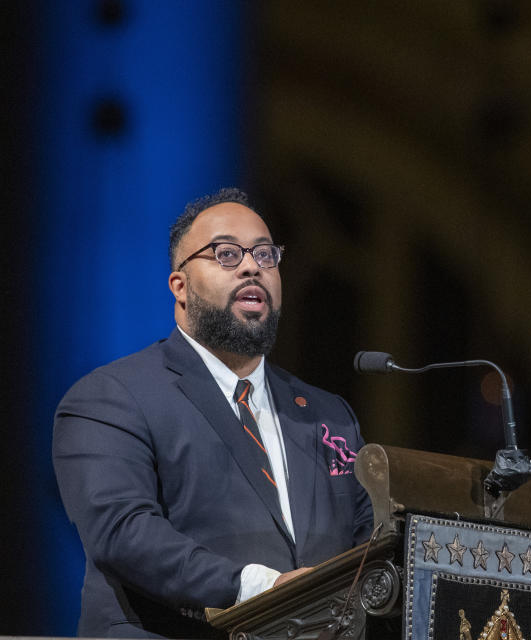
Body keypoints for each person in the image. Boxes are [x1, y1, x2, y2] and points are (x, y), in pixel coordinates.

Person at [53, 188, 373, 638]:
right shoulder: (111, 398)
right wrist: (263, 589)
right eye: (225, 254)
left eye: (265, 254)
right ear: (180, 287)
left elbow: (370, 546)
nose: (251, 266)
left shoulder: (328, 414)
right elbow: (123, 533)